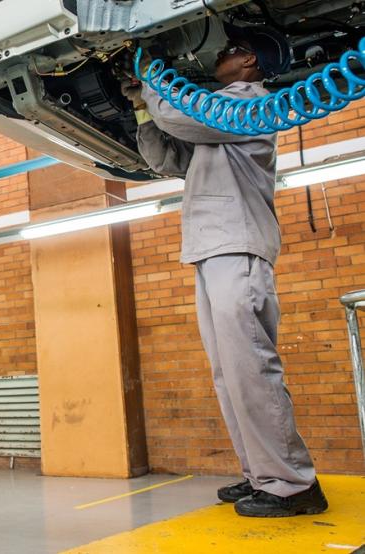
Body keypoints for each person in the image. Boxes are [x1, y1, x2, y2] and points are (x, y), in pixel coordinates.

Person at [122, 24, 328, 517]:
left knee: (250, 367)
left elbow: (179, 119)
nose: (222, 54)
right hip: (211, 247)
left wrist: (151, 74)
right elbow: (165, 156)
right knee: (228, 373)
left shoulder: (250, 104)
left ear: (251, 64)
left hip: (238, 244)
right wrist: (140, 105)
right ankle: (263, 474)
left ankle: (294, 485)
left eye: (233, 50)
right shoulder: (215, 114)